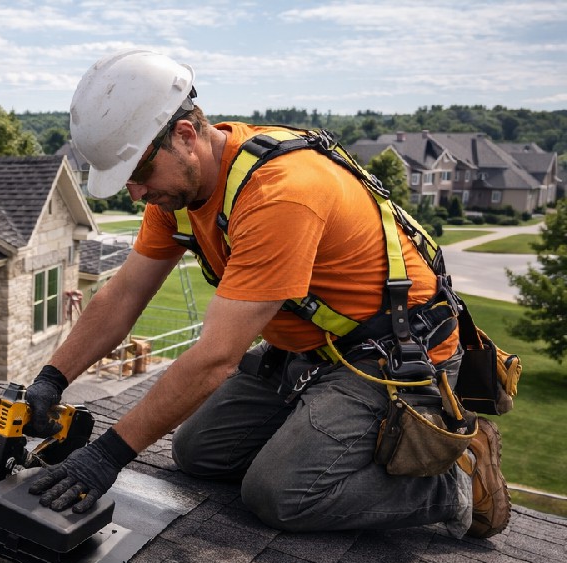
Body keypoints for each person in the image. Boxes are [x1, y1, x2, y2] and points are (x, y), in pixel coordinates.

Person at [25, 49, 509, 538]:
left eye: (140, 175)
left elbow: (215, 358)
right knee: (197, 452)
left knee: (280, 494)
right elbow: (124, 295)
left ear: (185, 136)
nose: (135, 193)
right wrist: (52, 377)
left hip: (391, 355)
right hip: (310, 349)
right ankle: (320, 439)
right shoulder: (182, 190)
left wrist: (104, 459)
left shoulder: (279, 192)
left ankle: (456, 482)